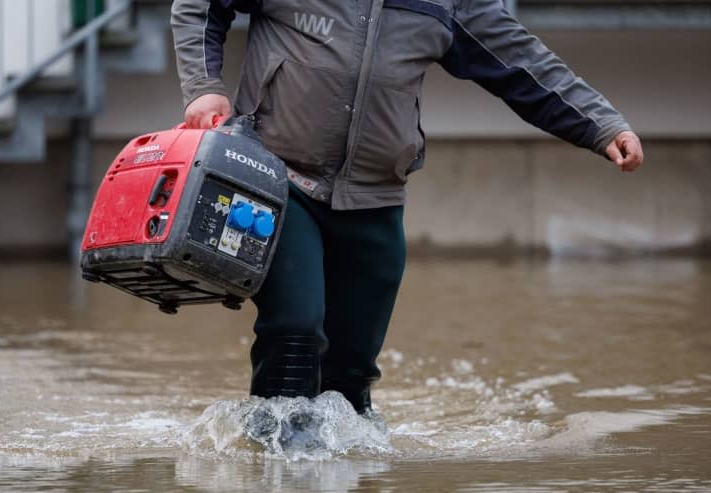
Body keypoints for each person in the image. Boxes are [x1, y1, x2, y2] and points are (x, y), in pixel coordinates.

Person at [170, 0, 644, 414]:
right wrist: (204, 86)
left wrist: (601, 125)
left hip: (376, 199)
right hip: (279, 180)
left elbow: (521, 61)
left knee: (352, 371)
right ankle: (277, 492)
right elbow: (199, 5)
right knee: (295, 331)